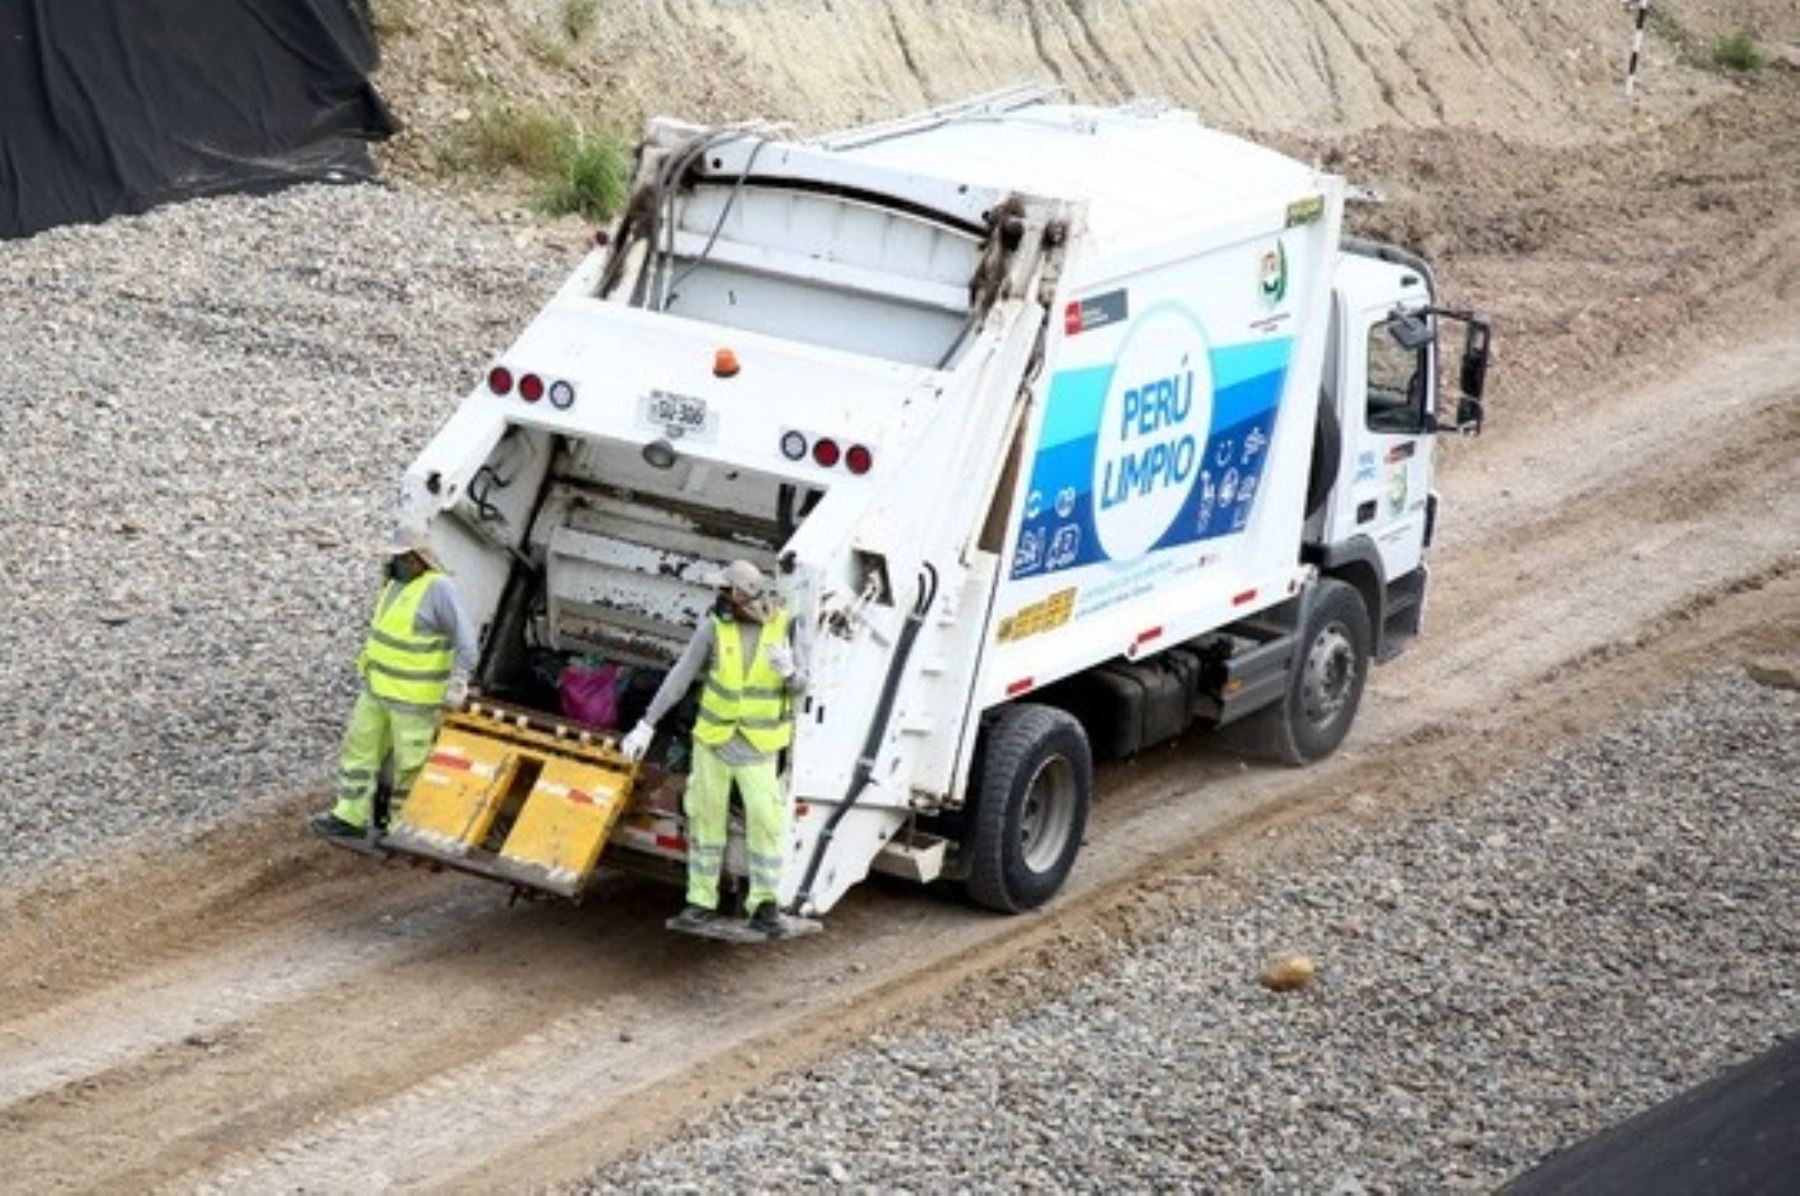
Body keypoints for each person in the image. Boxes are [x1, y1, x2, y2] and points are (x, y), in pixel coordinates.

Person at [620, 559, 806, 937]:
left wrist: (790, 672)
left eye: (724, 591)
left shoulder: (785, 627)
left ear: (741, 594)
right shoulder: (713, 628)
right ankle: (700, 903)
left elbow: (802, 686)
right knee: (705, 821)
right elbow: (680, 677)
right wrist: (646, 723)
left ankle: (765, 906)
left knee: (766, 824)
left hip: (759, 747)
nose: (717, 597)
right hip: (714, 742)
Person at [311, 520, 478, 839]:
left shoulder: (438, 588)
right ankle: (349, 816)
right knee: (359, 749)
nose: (395, 563)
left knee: (410, 766)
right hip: (377, 691)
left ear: (418, 559)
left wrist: (459, 682)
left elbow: (466, 640)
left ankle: (404, 827)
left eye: (401, 557)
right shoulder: (394, 584)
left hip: (414, 701)